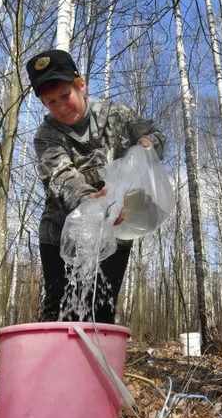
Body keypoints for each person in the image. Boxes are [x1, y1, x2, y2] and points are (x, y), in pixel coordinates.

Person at [27, 49, 165, 324]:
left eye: (65, 96)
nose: (61, 106)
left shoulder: (116, 115)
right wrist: (93, 201)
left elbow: (154, 136)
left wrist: (149, 145)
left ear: (81, 85)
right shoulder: (46, 136)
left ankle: (95, 364)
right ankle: (56, 365)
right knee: (59, 307)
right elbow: (61, 177)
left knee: (100, 310)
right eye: (51, 102)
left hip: (117, 227)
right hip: (60, 232)